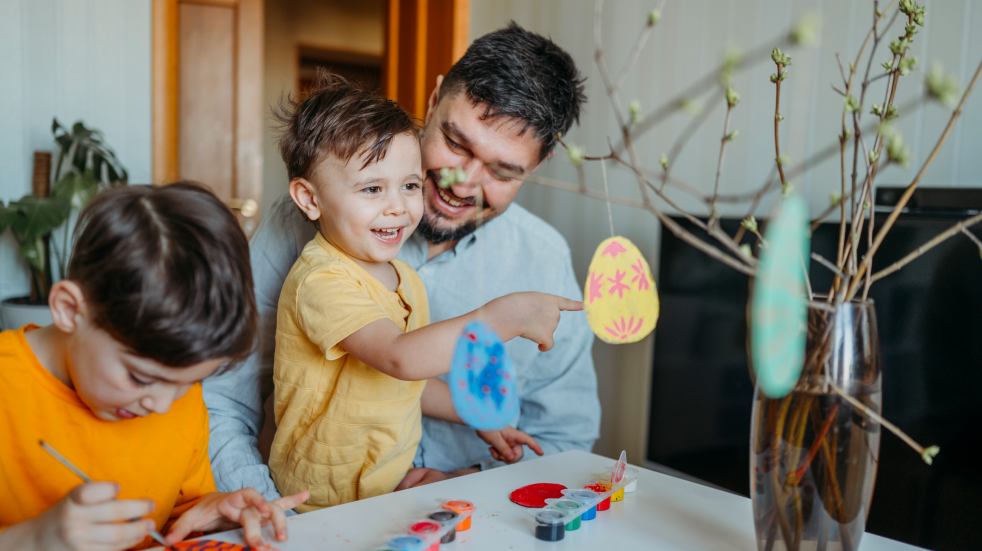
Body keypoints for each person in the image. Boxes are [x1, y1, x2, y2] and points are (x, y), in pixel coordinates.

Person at [205, 22, 600, 501]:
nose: (463, 183)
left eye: (502, 170)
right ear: (434, 100)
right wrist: (275, 520)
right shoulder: (304, 235)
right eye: (457, 144)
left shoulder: (543, 259)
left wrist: (470, 483)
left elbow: (563, 442)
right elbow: (224, 401)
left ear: (539, 165)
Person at [268, 75, 578, 511]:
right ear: (309, 199)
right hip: (319, 502)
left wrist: (479, 419)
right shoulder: (321, 279)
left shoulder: (402, 279)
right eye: (373, 188)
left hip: (383, 490)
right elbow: (400, 357)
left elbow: (409, 380)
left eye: (410, 186)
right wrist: (501, 318)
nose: (398, 206)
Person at [0, 183, 307, 550]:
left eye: (187, 383)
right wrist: (33, 539)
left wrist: (210, 514)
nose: (162, 406)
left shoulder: (179, 392)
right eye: (140, 377)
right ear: (69, 309)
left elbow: (176, 511)